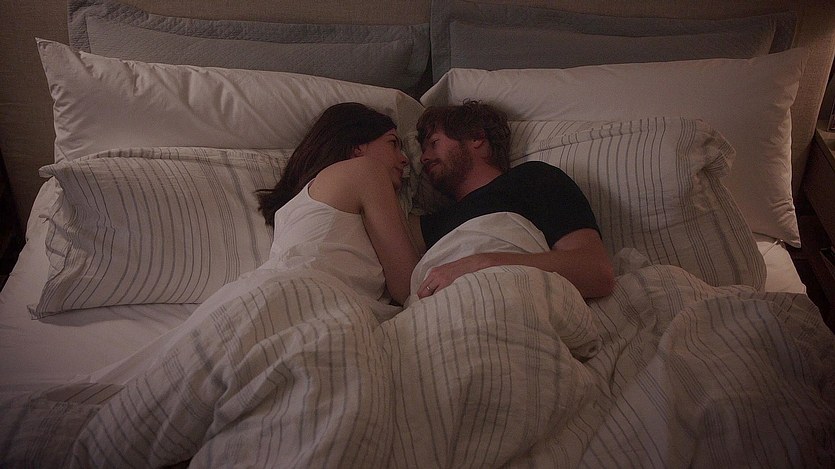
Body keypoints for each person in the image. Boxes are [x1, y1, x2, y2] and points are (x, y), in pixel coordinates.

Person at [411, 100, 615, 300]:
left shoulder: (532, 179)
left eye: (434, 143)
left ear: (476, 137)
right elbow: (404, 280)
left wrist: (481, 264)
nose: (423, 158)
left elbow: (596, 272)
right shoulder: (436, 221)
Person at [257, 102, 419, 305]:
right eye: (393, 144)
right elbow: (408, 285)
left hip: (275, 294)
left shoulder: (293, 207)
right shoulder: (367, 170)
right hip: (310, 296)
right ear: (357, 147)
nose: (404, 159)